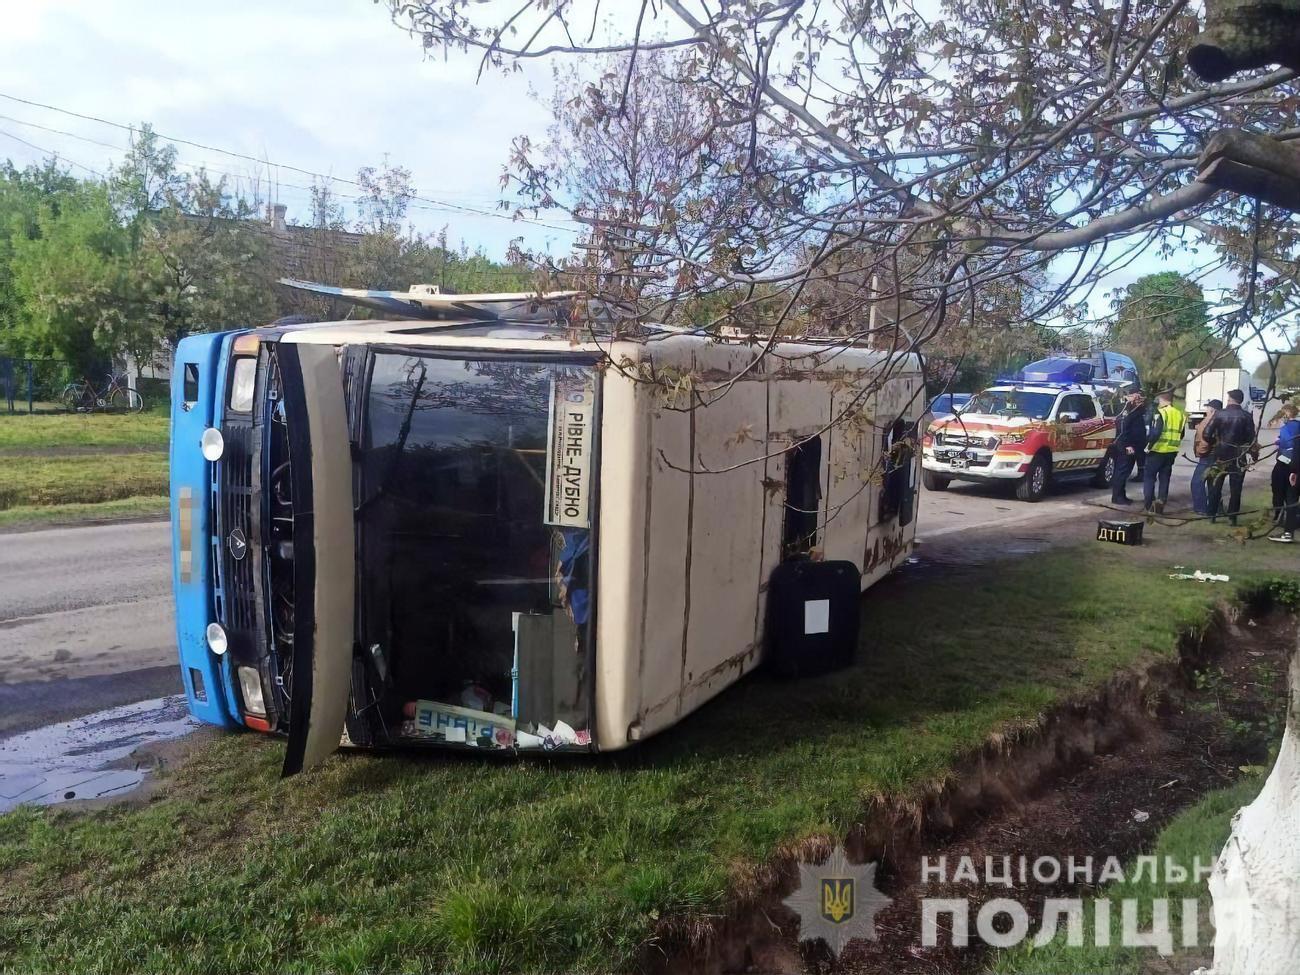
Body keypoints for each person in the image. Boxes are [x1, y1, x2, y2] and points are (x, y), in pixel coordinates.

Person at [1202, 388, 1258, 526]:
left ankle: (1212, 514)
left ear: (1231, 399)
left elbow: (1206, 433)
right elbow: (1251, 438)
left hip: (1220, 453)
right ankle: (1232, 517)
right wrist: (1252, 453)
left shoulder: (1220, 414)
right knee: (1236, 488)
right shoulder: (1246, 416)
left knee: (1215, 485)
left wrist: (1214, 443)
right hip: (1239, 455)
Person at [1142, 391, 1186, 513]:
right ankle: (1161, 503)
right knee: (1164, 478)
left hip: (1157, 451)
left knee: (1149, 478)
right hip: (1171, 452)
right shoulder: (1180, 415)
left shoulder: (1161, 413)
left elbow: (1156, 432)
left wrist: (1148, 446)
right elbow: (1181, 434)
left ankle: (1149, 505)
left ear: (1162, 400)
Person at [1270, 402, 1300, 543]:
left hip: (1289, 464)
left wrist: (1279, 442)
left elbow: (1288, 446)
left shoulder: (1287, 428)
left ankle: (1286, 528)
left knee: (1288, 495)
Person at [1111, 390, 1147, 505]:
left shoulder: (1138, 410)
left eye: (1141, 398)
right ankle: (1117, 497)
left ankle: (1122, 495)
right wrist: (1127, 445)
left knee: (1126, 472)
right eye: (1137, 398)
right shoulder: (1127, 409)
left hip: (1135, 445)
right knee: (1122, 471)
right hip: (1127, 445)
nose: (1140, 400)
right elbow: (1123, 428)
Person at [1190, 399, 1222, 516]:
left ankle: (1201, 508)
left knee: (1197, 482)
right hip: (1217, 455)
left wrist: (1201, 452)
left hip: (1208, 456)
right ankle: (1216, 507)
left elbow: (1204, 440)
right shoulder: (1221, 420)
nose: (1206, 410)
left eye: (1207, 408)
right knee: (1213, 482)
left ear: (1212, 409)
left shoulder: (1209, 421)